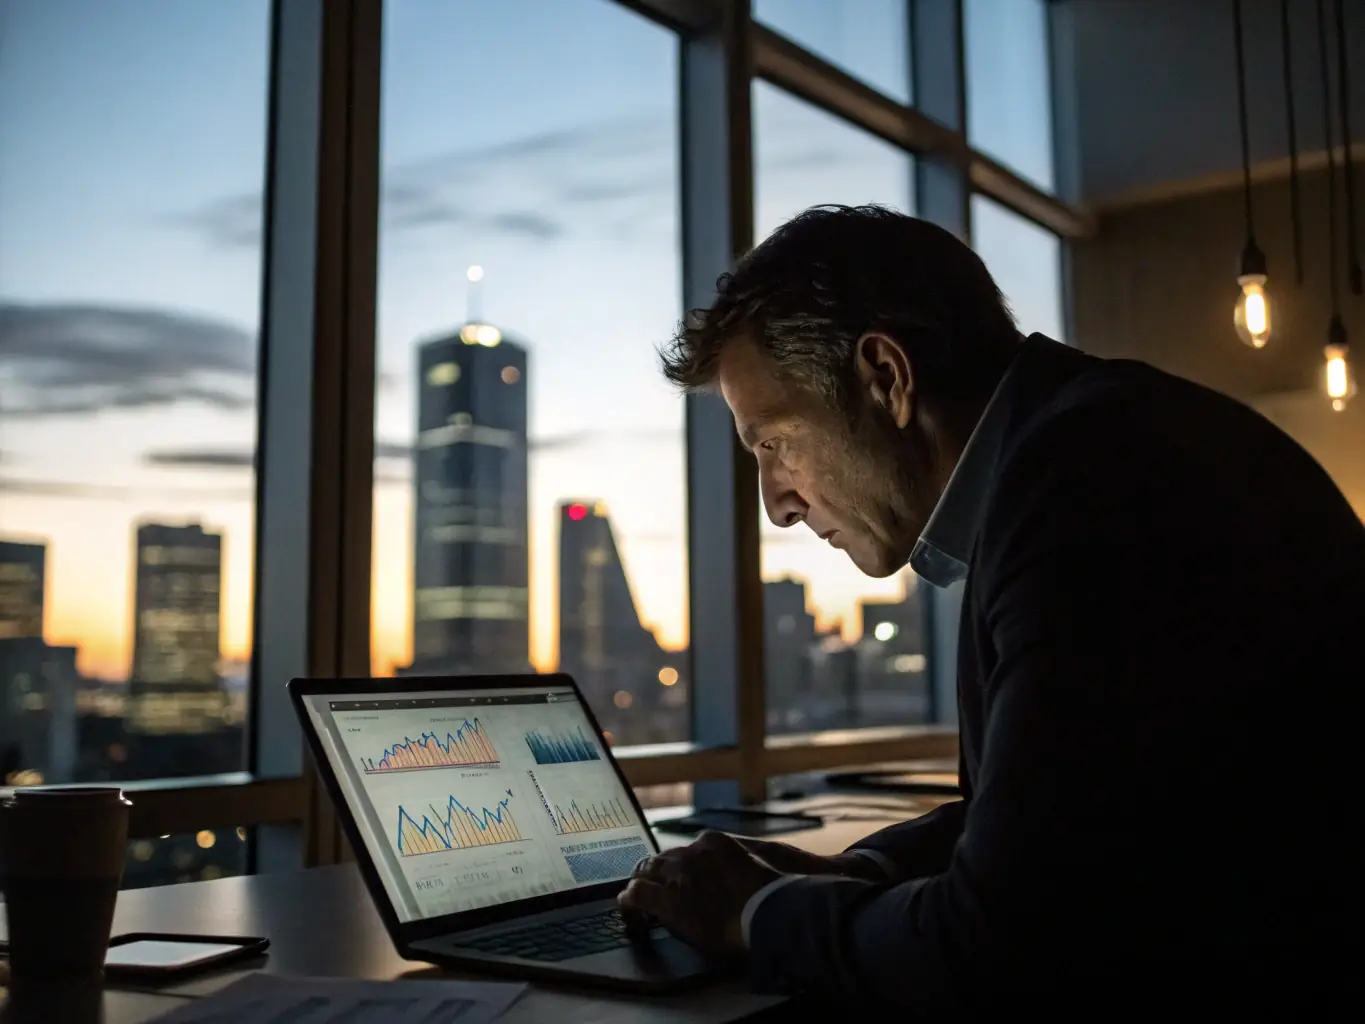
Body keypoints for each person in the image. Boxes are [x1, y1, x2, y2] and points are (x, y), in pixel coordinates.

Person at [619, 205, 1362, 1013]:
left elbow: (998, 942)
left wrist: (753, 913)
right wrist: (854, 872)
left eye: (773, 442)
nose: (777, 506)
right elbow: (1057, 819)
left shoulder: (1086, 496)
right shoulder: (1101, 444)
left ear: (885, 377)